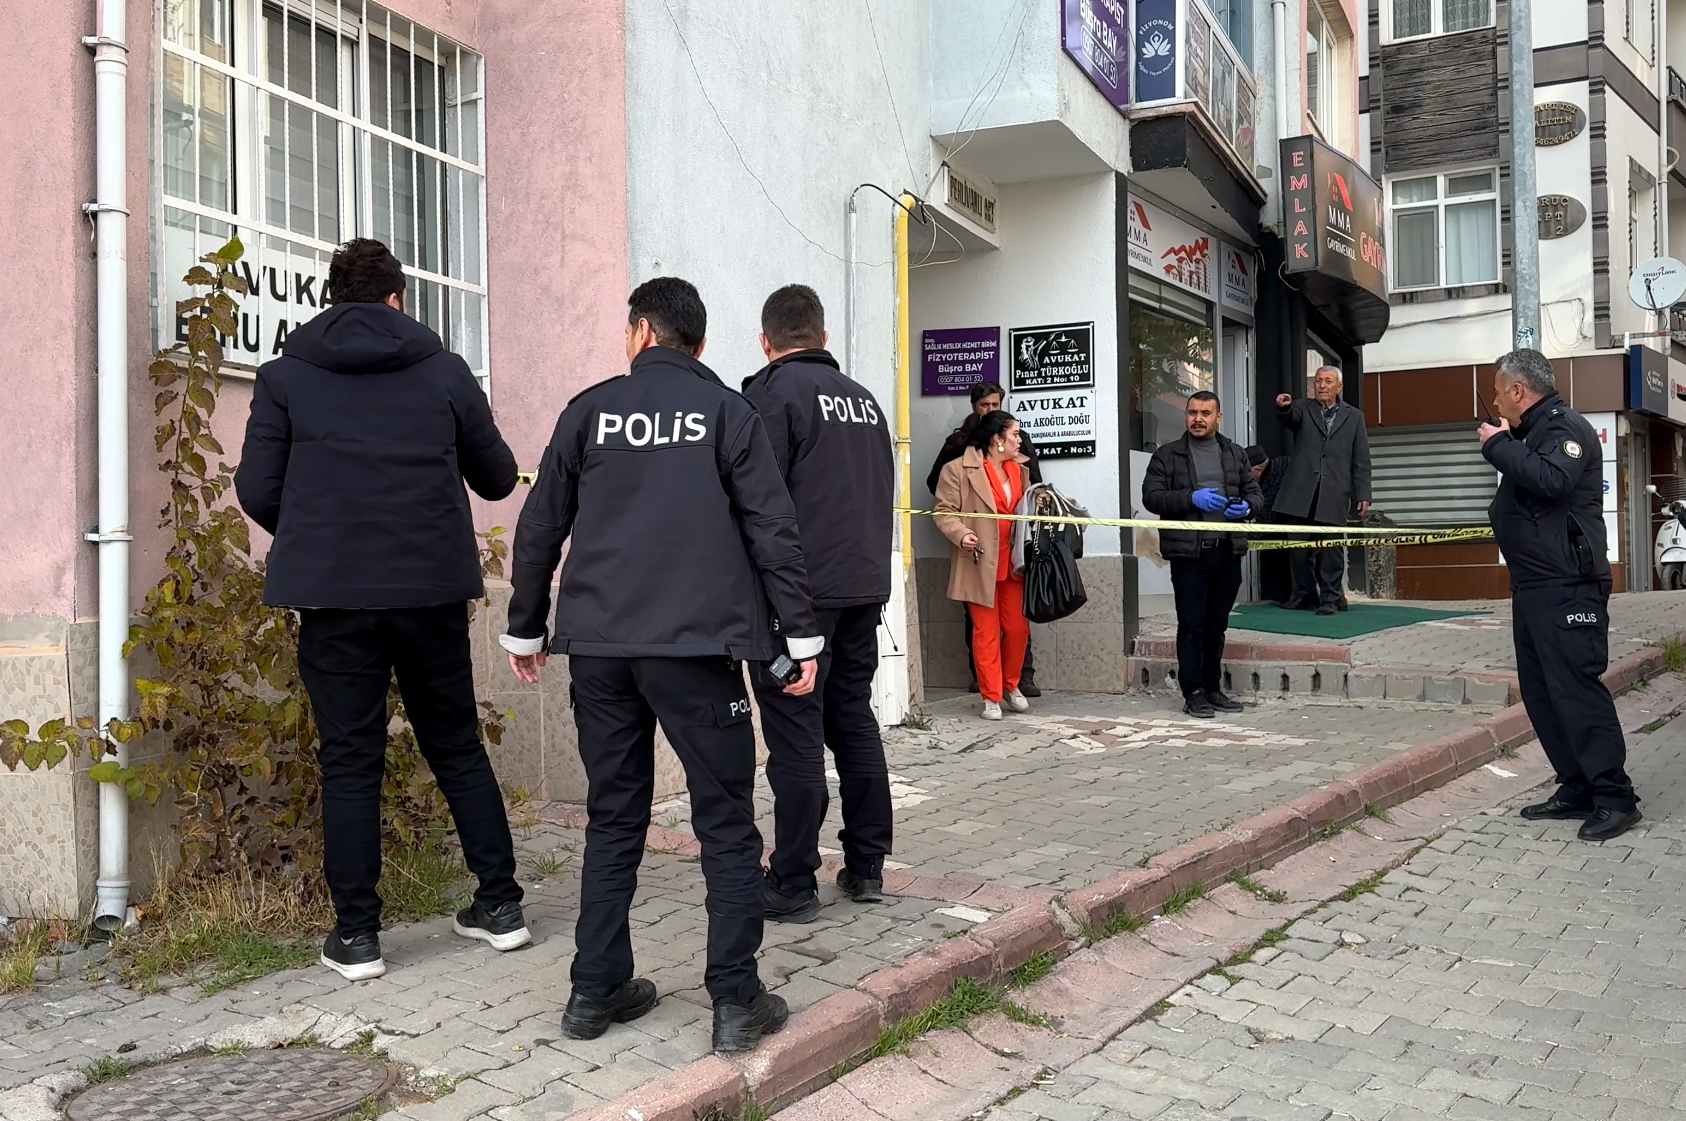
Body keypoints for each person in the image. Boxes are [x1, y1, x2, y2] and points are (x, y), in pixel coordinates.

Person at [501, 277, 822, 1052]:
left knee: (614, 816)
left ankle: (594, 990)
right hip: (696, 649)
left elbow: (541, 523)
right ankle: (736, 1000)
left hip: (600, 652)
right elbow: (772, 527)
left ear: (641, 331)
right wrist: (800, 635)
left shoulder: (589, 411)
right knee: (725, 823)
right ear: (698, 343)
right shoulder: (727, 412)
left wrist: (524, 628)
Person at [235, 237, 527, 983]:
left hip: (334, 596)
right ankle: (500, 907)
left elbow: (257, 488)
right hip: (430, 591)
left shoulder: (285, 375)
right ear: (397, 298)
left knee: (350, 758)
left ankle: (358, 937)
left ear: (332, 298)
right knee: (455, 743)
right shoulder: (445, 370)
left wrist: (318, 532)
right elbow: (497, 478)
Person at [739, 284, 896, 922]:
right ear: (823, 337)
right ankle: (867, 866)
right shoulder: (865, 400)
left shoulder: (772, 396)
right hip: (863, 589)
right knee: (852, 720)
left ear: (765, 341)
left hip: (798, 598)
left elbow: (755, 499)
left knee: (796, 735)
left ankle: (793, 879)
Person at [1479, 348, 1641, 842]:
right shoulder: (1532, 434)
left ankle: (1615, 797)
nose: (1495, 402)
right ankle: (1578, 786)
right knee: (1543, 694)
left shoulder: (1564, 426)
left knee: (1575, 690)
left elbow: (1552, 480)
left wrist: (1497, 446)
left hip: (1568, 584)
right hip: (1535, 584)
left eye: (1498, 392)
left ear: (1518, 390)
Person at [1141, 392, 1263, 719]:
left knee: (1216, 625)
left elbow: (1255, 493)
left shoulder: (1234, 453)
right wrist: (1191, 498)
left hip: (1227, 551)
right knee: (1192, 625)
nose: (1198, 419)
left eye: (1205, 413)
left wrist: (1247, 507)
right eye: (1192, 412)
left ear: (1218, 417)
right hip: (1189, 555)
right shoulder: (1168, 455)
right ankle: (1192, 692)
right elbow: (1152, 497)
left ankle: (1212, 688)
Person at [927, 382, 1043, 696]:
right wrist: (963, 529)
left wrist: (1040, 502)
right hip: (978, 557)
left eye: (996, 404)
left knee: (1017, 627)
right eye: (985, 405)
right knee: (983, 628)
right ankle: (990, 690)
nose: (991, 409)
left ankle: (1016, 681)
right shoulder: (958, 447)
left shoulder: (1019, 461)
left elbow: (1032, 490)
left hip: (1013, 559)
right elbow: (940, 498)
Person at [1272, 366, 1372, 615]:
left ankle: (1331, 598)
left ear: (1339, 386)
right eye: (1318, 381)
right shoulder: (1302, 408)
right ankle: (1304, 595)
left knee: (1331, 549)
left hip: (1334, 490)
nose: (1322, 386)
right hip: (1301, 490)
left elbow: (1361, 458)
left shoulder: (1354, 416)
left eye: (1328, 381)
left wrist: (1363, 494)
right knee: (1298, 548)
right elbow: (1290, 417)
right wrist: (1283, 407)